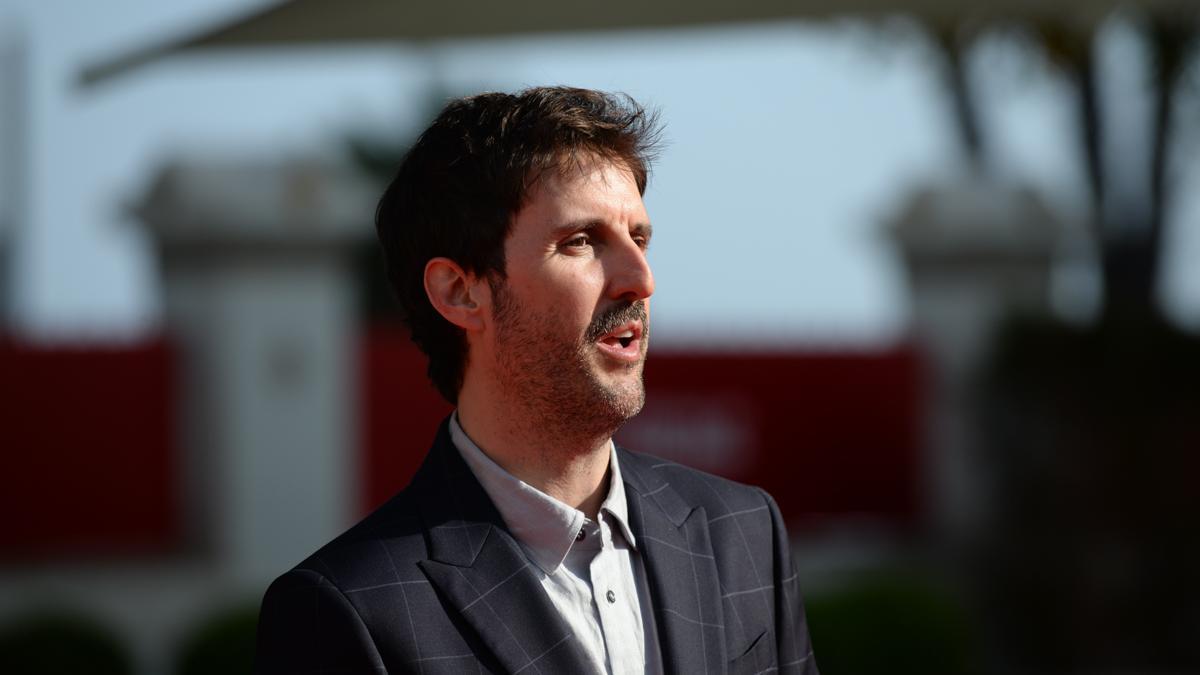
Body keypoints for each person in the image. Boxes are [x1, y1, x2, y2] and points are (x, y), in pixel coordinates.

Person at [256, 86, 818, 675]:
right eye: (580, 242)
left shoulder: (745, 533)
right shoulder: (349, 608)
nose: (640, 278)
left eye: (640, 238)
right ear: (459, 291)